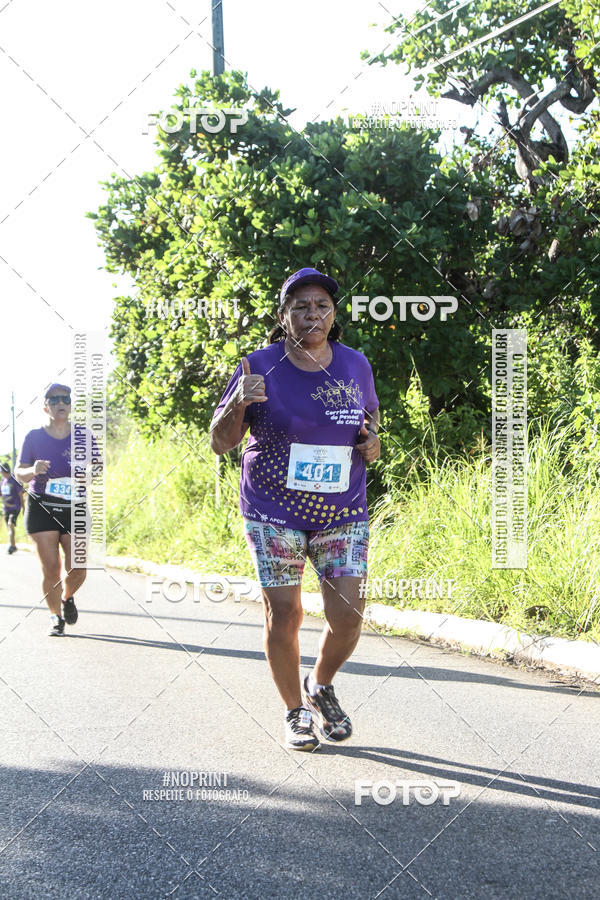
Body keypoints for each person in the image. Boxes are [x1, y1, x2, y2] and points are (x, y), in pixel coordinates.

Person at [210, 267, 380, 751]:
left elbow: (369, 420)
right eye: (301, 306)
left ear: (333, 314)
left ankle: (320, 684)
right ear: (284, 316)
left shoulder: (355, 365)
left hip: (341, 510)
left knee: (348, 614)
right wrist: (236, 404)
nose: (312, 314)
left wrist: (373, 444)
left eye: (322, 305)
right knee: (283, 614)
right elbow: (220, 443)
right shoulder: (257, 365)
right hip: (272, 510)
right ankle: (294, 713)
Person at [15, 384, 88, 636]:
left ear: (69, 405)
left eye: (65, 399)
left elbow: (97, 467)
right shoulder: (33, 437)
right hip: (42, 506)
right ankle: (55, 617)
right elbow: (19, 473)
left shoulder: (83, 435)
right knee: (51, 568)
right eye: (54, 399)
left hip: (74, 507)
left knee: (78, 567)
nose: (60, 403)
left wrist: (87, 475)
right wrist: (33, 470)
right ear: (45, 406)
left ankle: (67, 597)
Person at [1, 462, 24, 554]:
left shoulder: (14, 480)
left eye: (2, 471)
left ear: (5, 471)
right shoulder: (3, 481)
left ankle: (11, 545)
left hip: (15, 508)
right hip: (6, 509)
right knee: (9, 527)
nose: (1, 473)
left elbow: (20, 495)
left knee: (10, 524)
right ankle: (13, 545)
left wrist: (24, 508)